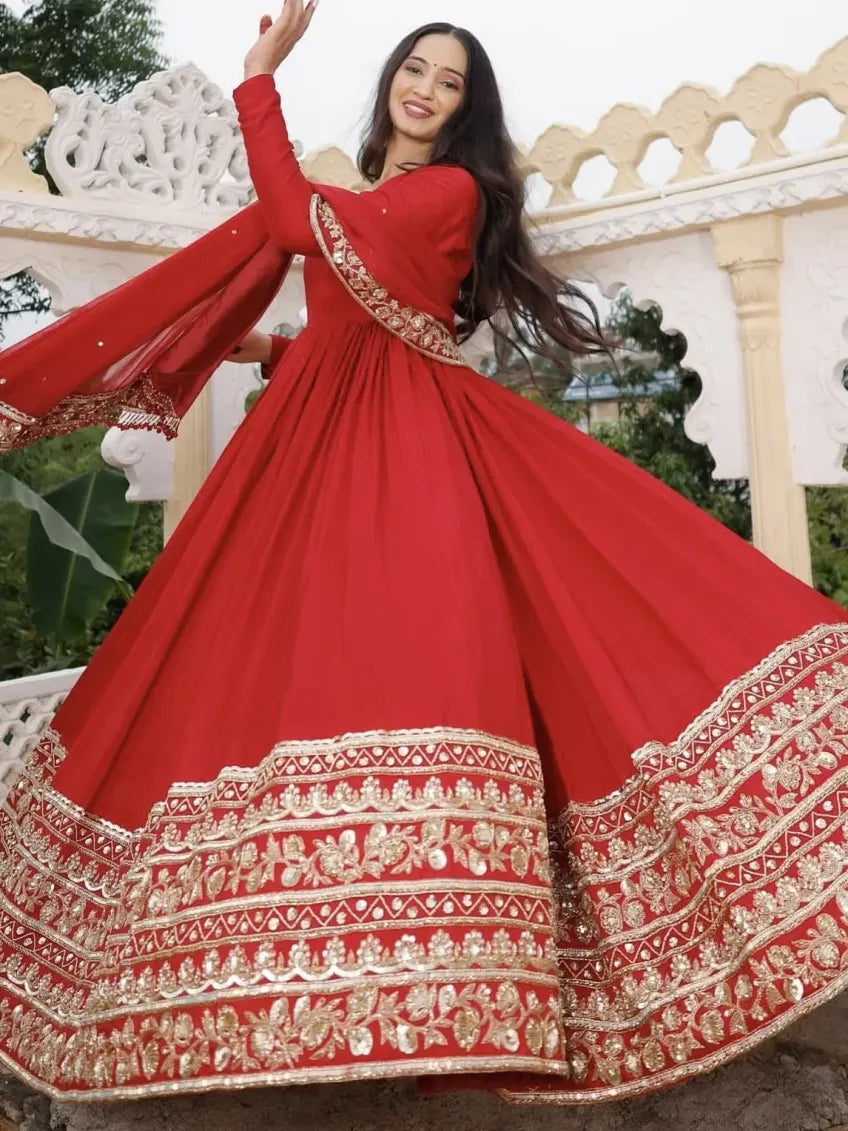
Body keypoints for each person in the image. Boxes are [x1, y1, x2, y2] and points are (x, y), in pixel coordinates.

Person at [0, 2, 845, 1108]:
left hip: (406, 442)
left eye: (447, 81)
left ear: (462, 112)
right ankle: (312, 966)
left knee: (448, 654)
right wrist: (271, 345)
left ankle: (461, 972)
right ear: (392, 83)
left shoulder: (447, 192)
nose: (424, 89)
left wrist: (257, 74)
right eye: (413, 68)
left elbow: (296, 229)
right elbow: (354, 292)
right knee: (274, 674)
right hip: (324, 430)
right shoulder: (369, 197)